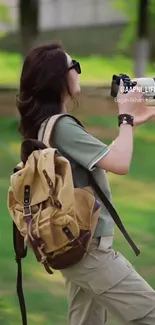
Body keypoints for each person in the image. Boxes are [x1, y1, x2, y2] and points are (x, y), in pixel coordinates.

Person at [17, 41, 155, 325]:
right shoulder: (62, 126)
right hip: (90, 251)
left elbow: (107, 158)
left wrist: (129, 125)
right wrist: (125, 116)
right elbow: (121, 164)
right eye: (74, 66)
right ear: (58, 79)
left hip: (75, 247)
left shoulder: (47, 126)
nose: (79, 71)